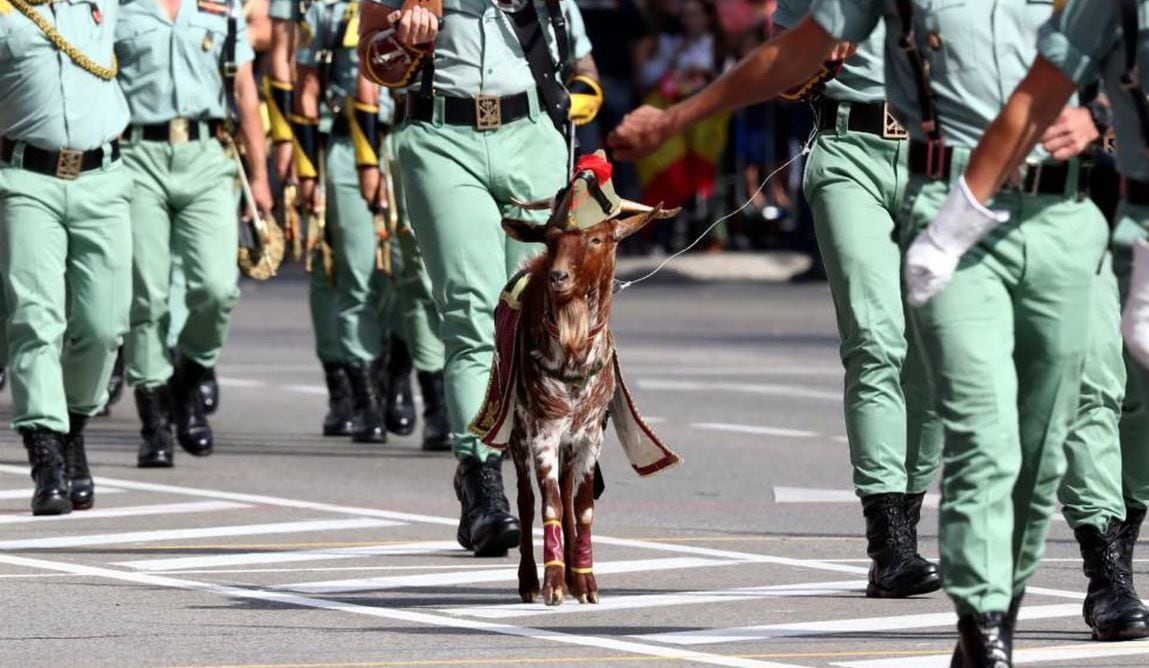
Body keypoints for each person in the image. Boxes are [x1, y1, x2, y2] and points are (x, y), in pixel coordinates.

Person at [609, 4, 1107, 665]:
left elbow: (1113, 53)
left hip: (1022, 189)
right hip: (877, 159)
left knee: (1031, 424)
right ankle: (928, 572)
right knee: (890, 349)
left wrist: (1098, 116)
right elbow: (787, 54)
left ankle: (1037, 584)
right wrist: (676, 119)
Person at [921, 0, 1149, 644]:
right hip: (1073, 203)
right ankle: (1108, 571)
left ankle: (1121, 530)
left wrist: (1101, 115)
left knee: (1137, 400)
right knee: (1093, 380)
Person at [358, 0, 600, 556]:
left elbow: (580, 63)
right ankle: (481, 480)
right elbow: (375, 58)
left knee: (550, 310)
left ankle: (561, 453)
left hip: (532, 132)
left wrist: (583, 96)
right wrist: (407, 44)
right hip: (443, 136)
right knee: (473, 310)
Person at [772, 0, 942, 599]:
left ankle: (909, 515)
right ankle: (889, 540)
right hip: (851, 151)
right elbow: (782, 64)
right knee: (875, 340)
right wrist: (812, 61)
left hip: (941, 158)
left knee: (931, 354)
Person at [116, 0, 272, 468]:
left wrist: (259, 176)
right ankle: (154, 421)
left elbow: (244, 89)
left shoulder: (220, 6)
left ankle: (186, 381)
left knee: (217, 288)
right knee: (148, 294)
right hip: (137, 155)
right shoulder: (117, 8)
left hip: (207, 155)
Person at [0, 0, 133, 514]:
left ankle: (74, 425)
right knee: (35, 318)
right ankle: (47, 456)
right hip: (25, 180)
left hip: (103, 181)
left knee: (103, 325)